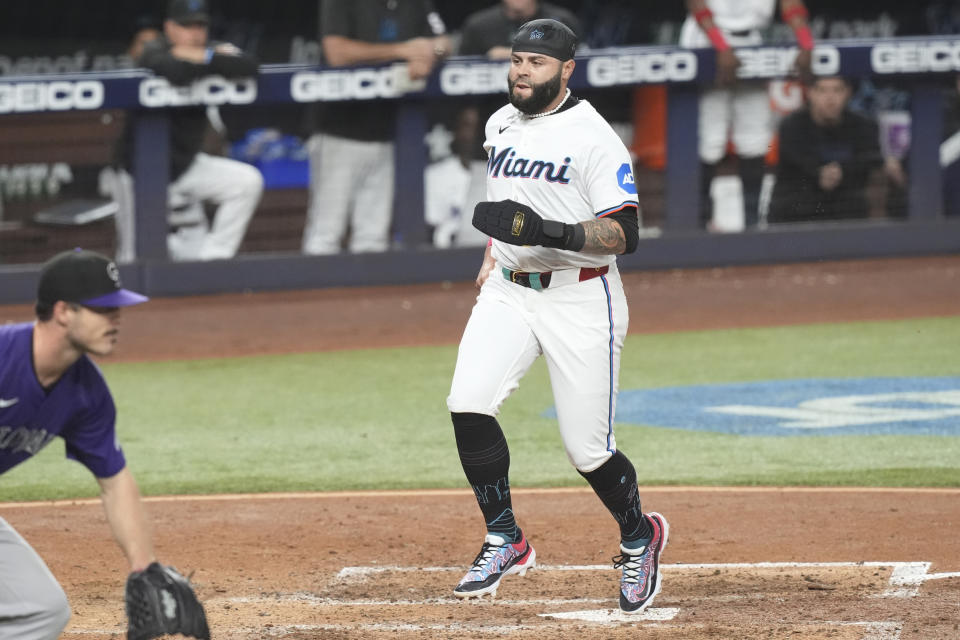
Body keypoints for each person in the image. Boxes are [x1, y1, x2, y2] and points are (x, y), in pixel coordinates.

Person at [446, 20, 668, 614]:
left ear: (567, 70)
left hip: (581, 296)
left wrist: (550, 232)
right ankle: (505, 539)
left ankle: (639, 537)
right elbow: (506, 211)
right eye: (516, 60)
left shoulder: (594, 137)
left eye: (536, 63)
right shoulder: (500, 123)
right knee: (468, 403)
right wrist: (495, 252)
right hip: (509, 292)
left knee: (586, 449)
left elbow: (627, 232)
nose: (521, 71)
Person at [0, 249, 158, 638]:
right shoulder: (4, 355)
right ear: (63, 312)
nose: (116, 319)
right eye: (103, 309)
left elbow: (115, 481)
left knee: (41, 610)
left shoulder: (87, 393)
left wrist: (144, 568)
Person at [113, 0, 264, 262]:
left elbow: (249, 65)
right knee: (132, 256)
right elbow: (171, 69)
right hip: (138, 172)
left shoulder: (207, 50)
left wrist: (204, 56)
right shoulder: (153, 48)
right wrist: (213, 60)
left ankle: (214, 260)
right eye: (187, 27)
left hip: (185, 166)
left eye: (200, 26)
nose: (195, 33)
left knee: (246, 182)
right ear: (169, 28)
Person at [302, 0, 451, 255]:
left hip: (389, 132)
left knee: (373, 238)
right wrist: (403, 51)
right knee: (326, 234)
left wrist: (428, 54)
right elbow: (336, 52)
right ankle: (312, 294)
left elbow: (443, 42)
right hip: (339, 131)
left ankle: (365, 297)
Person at [682, 0, 814, 230]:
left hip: (752, 39)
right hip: (706, 38)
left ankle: (752, 225)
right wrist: (721, 46)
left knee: (754, 139)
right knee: (710, 140)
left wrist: (805, 42)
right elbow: (696, 4)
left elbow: (790, 5)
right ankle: (699, 224)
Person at [768, 76, 898, 223]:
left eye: (837, 90)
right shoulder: (792, 127)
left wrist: (842, 171)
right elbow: (797, 164)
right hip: (798, 214)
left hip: (848, 214)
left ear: (848, 93)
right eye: (822, 91)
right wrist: (820, 173)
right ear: (810, 93)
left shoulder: (863, 126)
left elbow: (871, 158)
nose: (830, 99)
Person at [423, 106, 489, 248]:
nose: (473, 133)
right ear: (456, 131)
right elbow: (432, 230)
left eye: (478, 127)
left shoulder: (499, 176)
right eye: (467, 126)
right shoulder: (435, 175)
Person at [458, 0, 582, 60]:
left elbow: (579, 61)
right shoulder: (478, 25)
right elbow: (460, 71)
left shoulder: (562, 21)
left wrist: (510, 53)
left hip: (550, 99)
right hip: (492, 104)